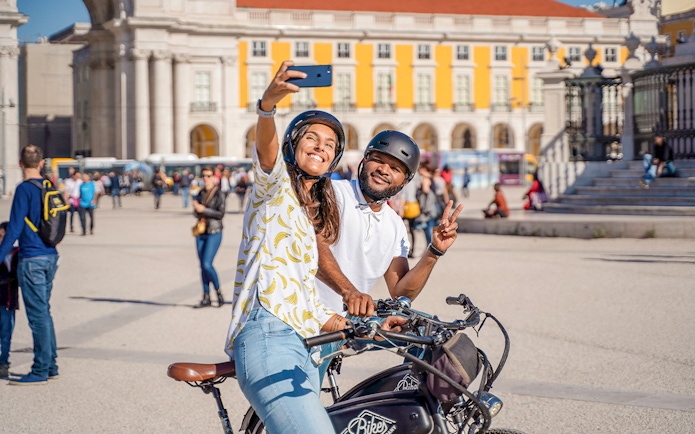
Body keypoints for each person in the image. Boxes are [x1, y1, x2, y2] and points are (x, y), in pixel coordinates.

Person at [224, 60, 404, 434]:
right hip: (267, 335)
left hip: (305, 344)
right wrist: (267, 107)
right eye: (312, 138)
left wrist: (371, 324)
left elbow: (304, 302)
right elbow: (267, 153)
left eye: (330, 144)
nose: (321, 147)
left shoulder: (309, 223)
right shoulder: (274, 191)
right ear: (294, 143)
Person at [316, 129, 463, 319]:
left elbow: (400, 293)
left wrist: (434, 252)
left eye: (395, 168)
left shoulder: (395, 225)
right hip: (300, 324)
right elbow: (311, 249)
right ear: (364, 161)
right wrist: (349, 292)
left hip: (343, 330)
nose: (383, 170)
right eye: (378, 160)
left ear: (405, 182)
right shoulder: (332, 194)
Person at [0, 145, 60, 385]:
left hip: (32, 258)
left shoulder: (24, 189)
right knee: (44, 312)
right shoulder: (49, 186)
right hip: (50, 255)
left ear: (20, 163)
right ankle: (51, 364)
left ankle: (40, 369)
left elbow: (13, 228)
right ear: (42, 162)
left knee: (37, 317)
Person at [192, 166, 226, 308]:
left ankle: (218, 293)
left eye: (208, 175)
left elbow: (220, 213)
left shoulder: (219, 194)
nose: (205, 178)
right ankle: (206, 296)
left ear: (214, 177)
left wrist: (203, 209)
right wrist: (196, 209)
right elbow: (196, 213)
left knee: (207, 264)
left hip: (214, 231)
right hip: (201, 232)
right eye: (203, 176)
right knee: (202, 266)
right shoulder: (200, 193)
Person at [0, 221, 19, 379]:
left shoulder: (17, 253)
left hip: (7, 301)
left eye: (2, 236)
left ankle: (4, 363)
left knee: (6, 334)